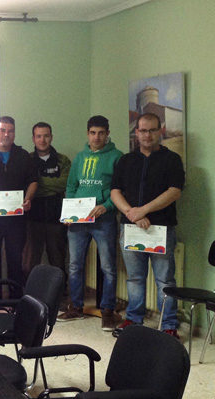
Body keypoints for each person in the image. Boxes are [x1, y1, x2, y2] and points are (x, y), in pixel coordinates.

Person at [111, 113, 184, 339]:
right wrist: (131, 213)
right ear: (137, 133)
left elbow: (174, 191)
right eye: (142, 130)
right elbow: (115, 192)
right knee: (134, 278)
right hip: (131, 228)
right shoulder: (126, 160)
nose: (147, 135)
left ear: (160, 131)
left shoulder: (172, 159)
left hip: (160, 229)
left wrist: (144, 210)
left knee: (165, 280)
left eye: (152, 130)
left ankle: (168, 324)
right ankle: (133, 319)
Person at [58, 115, 123, 331]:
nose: (97, 137)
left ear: (107, 133)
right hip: (78, 222)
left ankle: (108, 311)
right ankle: (76, 307)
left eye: (101, 133)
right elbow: (71, 187)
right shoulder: (79, 158)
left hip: (104, 220)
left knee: (108, 267)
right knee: (75, 265)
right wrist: (69, 212)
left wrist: (107, 206)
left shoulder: (116, 157)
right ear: (87, 134)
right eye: (93, 133)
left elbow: (120, 190)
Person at [0, 116, 38, 298]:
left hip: (16, 219)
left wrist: (28, 199)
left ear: (14, 133)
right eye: (2, 130)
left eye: (10, 131)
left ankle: (16, 299)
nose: (6, 134)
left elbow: (33, 181)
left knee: (15, 261)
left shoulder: (23, 156)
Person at [23, 122, 71, 292]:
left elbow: (65, 183)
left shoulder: (62, 160)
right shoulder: (26, 159)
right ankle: (28, 295)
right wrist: (47, 187)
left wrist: (37, 184)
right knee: (29, 262)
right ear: (33, 138)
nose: (42, 140)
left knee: (58, 260)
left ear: (51, 137)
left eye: (46, 135)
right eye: (38, 136)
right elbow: (24, 186)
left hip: (56, 217)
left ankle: (60, 295)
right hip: (31, 219)